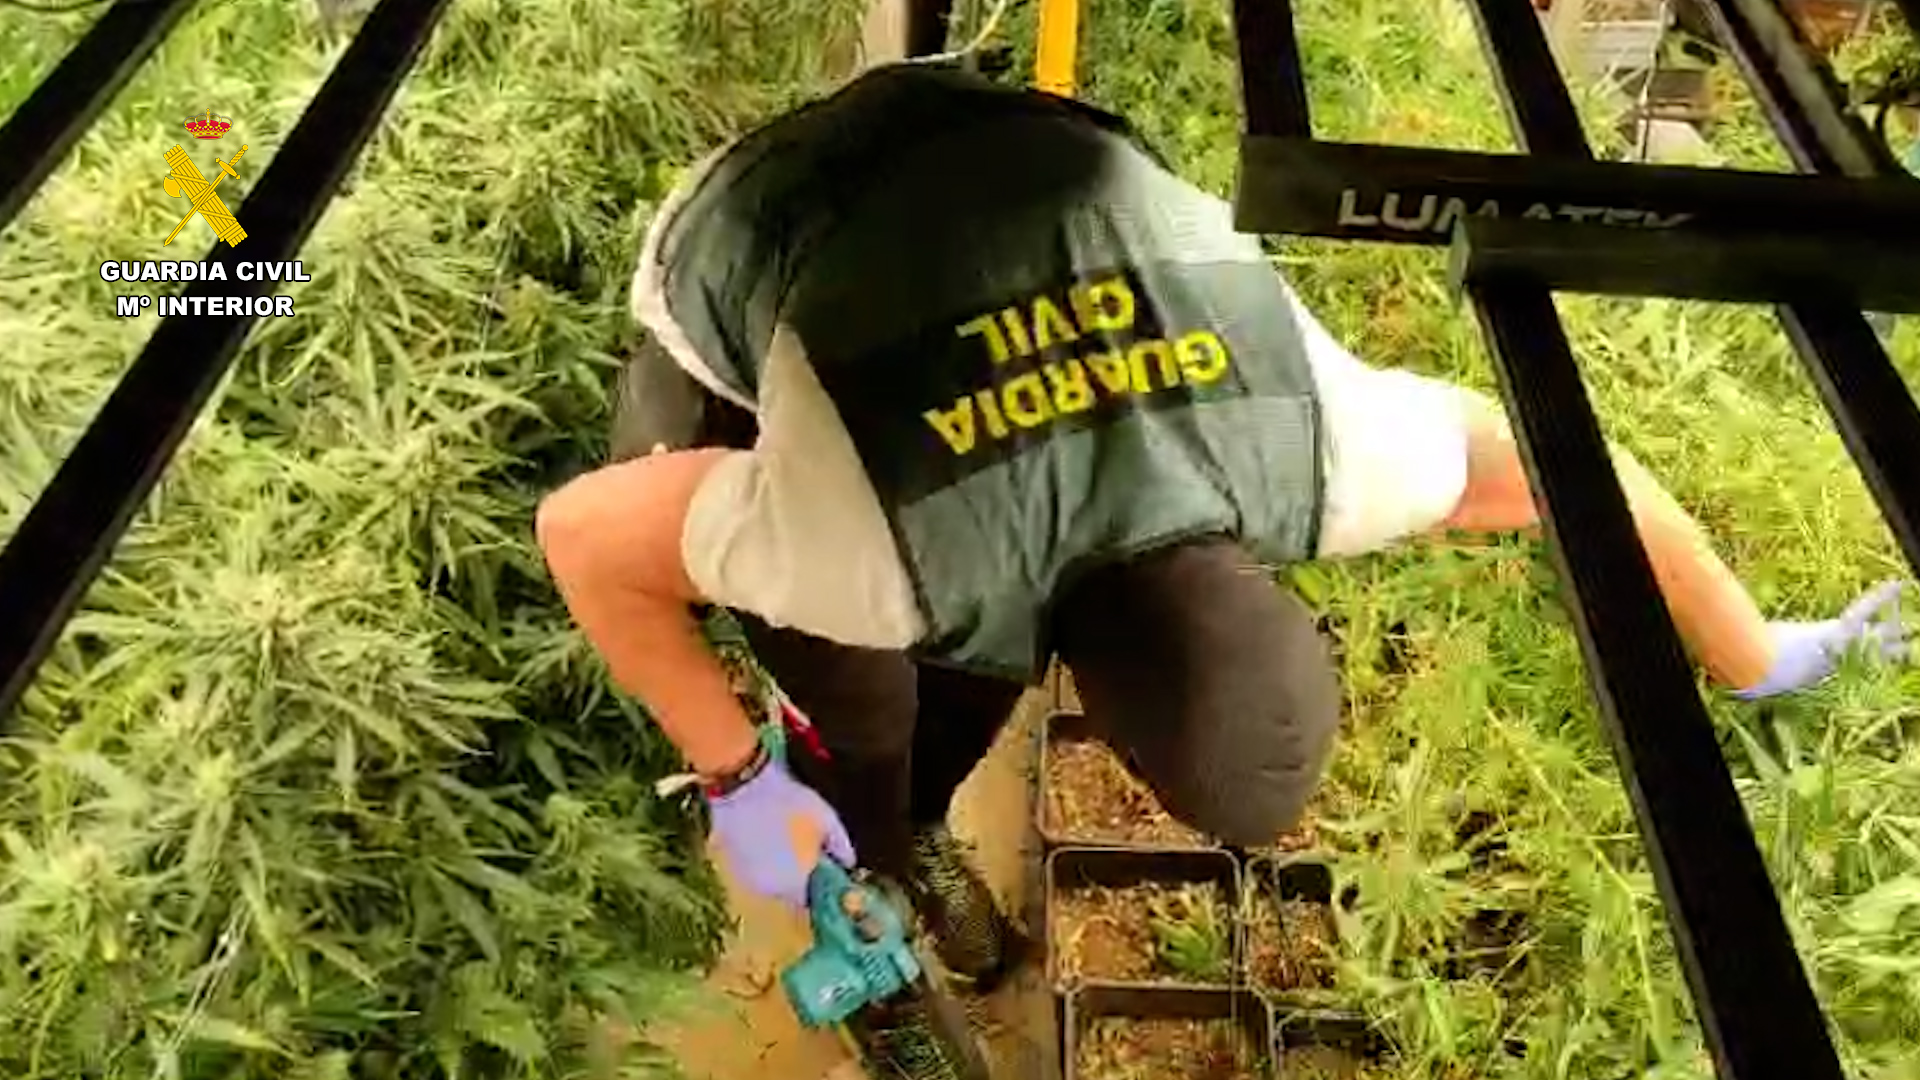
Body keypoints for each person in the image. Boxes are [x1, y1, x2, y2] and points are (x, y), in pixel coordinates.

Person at [536, 57, 1909, 1039]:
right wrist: (731, 774)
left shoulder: (1336, 451)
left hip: (1009, 139)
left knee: (930, 688)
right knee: (855, 695)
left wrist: (1763, 656)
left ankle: (901, 846)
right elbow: (588, 537)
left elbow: (1585, 477)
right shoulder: (874, 552)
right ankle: (873, 840)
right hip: (753, 224)